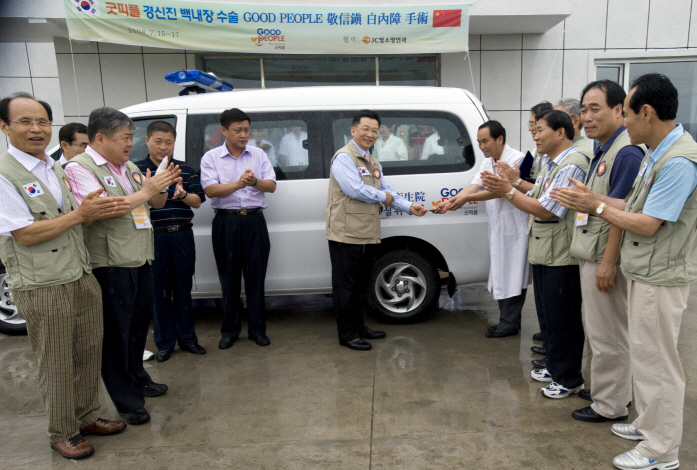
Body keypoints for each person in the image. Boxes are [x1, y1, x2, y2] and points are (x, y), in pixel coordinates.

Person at [551, 74, 696, 470]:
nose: (624, 121)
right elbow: (631, 205)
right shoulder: (656, 152)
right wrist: (592, 197)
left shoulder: (678, 160)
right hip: (646, 271)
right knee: (646, 357)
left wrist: (595, 206)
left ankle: (660, 451)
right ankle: (648, 426)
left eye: (627, 114)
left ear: (646, 112)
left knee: (658, 365)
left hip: (660, 276)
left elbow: (647, 223)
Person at [0, 92, 129, 460]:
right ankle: (62, 431)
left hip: (79, 273)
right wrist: (80, 215)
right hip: (43, 283)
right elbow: (25, 234)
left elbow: (77, 215)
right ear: (4, 126)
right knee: (56, 359)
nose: (36, 129)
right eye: (25, 121)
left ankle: (87, 416)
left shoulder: (56, 167)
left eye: (42, 121)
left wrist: (90, 211)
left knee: (88, 350)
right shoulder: (5, 174)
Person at [64, 107, 180, 426]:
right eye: (125, 138)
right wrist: (145, 191)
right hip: (110, 263)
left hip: (140, 256)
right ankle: (126, 400)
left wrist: (160, 185)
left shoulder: (128, 166)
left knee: (138, 327)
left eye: (131, 137)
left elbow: (154, 203)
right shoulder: (79, 167)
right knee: (116, 333)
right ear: (100, 138)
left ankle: (138, 377)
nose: (131, 144)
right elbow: (101, 209)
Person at [552, 80, 644, 424]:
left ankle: (610, 405)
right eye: (584, 110)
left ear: (619, 110)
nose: (587, 117)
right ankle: (613, 391)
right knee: (602, 331)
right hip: (591, 250)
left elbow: (620, 211)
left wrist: (608, 262)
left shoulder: (626, 153)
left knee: (609, 335)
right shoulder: (605, 149)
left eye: (595, 109)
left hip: (604, 256)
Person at [482, 110, 588, 399]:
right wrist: (516, 183)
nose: (534, 135)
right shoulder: (553, 163)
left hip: (560, 253)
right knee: (549, 316)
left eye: (539, 129)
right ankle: (555, 368)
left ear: (560, 132)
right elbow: (539, 194)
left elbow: (545, 209)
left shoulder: (572, 164)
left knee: (562, 318)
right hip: (545, 249)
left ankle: (567, 378)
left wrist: (508, 190)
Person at [326, 109, 428, 351]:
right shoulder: (344, 158)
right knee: (345, 287)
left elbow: (387, 189)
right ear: (353, 131)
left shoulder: (373, 162)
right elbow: (354, 189)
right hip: (345, 234)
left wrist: (409, 206)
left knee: (362, 284)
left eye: (374, 130)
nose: (370, 134)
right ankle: (347, 334)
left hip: (367, 233)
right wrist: (384, 197)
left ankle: (359, 327)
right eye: (365, 129)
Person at [436, 120, 530, 338]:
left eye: (485, 141)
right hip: (499, 227)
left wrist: (467, 199)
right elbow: (474, 186)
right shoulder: (488, 162)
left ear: (500, 139)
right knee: (502, 273)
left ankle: (509, 323)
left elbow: (499, 190)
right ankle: (508, 321)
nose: (481, 146)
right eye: (479, 142)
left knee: (514, 274)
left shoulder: (516, 160)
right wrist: (452, 201)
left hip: (515, 227)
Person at [200, 108, 276, 349]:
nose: (244, 135)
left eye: (246, 130)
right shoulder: (211, 158)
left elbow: (271, 185)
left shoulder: (258, 155)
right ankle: (230, 331)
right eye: (238, 130)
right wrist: (238, 184)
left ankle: (258, 330)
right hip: (227, 222)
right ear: (224, 131)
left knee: (256, 278)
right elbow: (210, 190)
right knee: (229, 279)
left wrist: (254, 181)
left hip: (254, 221)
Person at [135, 121, 207, 363]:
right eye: (158, 141)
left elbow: (198, 201)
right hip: (154, 236)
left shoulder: (185, 168)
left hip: (182, 235)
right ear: (147, 141)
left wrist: (183, 194)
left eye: (169, 142)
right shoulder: (137, 169)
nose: (163, 147)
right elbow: (134, 201)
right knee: (159, 292)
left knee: (183, 289)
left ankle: (188, 339)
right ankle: (164, 343)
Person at [524, 101, 554, 186]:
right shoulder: (535, 152)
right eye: (530, 124)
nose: (530, 128)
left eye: (533, 124)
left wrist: (516, 182)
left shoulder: (557, 155)